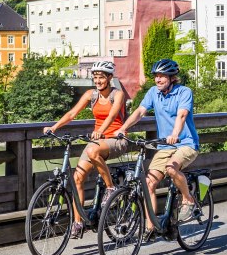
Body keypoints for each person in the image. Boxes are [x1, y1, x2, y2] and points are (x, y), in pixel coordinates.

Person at [43, 61, 127, 239]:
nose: (98, 81)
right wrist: (54, 127)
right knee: (77, 178)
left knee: (92, 152)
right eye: (95, 78)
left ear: (110, 78)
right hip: (97, 141)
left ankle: (110, 188)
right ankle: (78, 222)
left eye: (101, 78)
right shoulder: (91, 95)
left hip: (115, 140)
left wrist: (100, 131)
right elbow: (72, 114)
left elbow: (112, 115)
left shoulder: (117, 94)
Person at [118, 58, 200, 242]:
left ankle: (188, 198)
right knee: (149, 184)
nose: (158, 79)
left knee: (171, 168)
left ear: (172, 77)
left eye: (162, 76)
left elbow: (182, 115)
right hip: (164, 146)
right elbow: (140, 111)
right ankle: (151, 227)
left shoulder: (184, 92)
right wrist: (124, 128)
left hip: (186, 143)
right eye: (156, 76)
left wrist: (175, 134)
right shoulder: (153, 93)